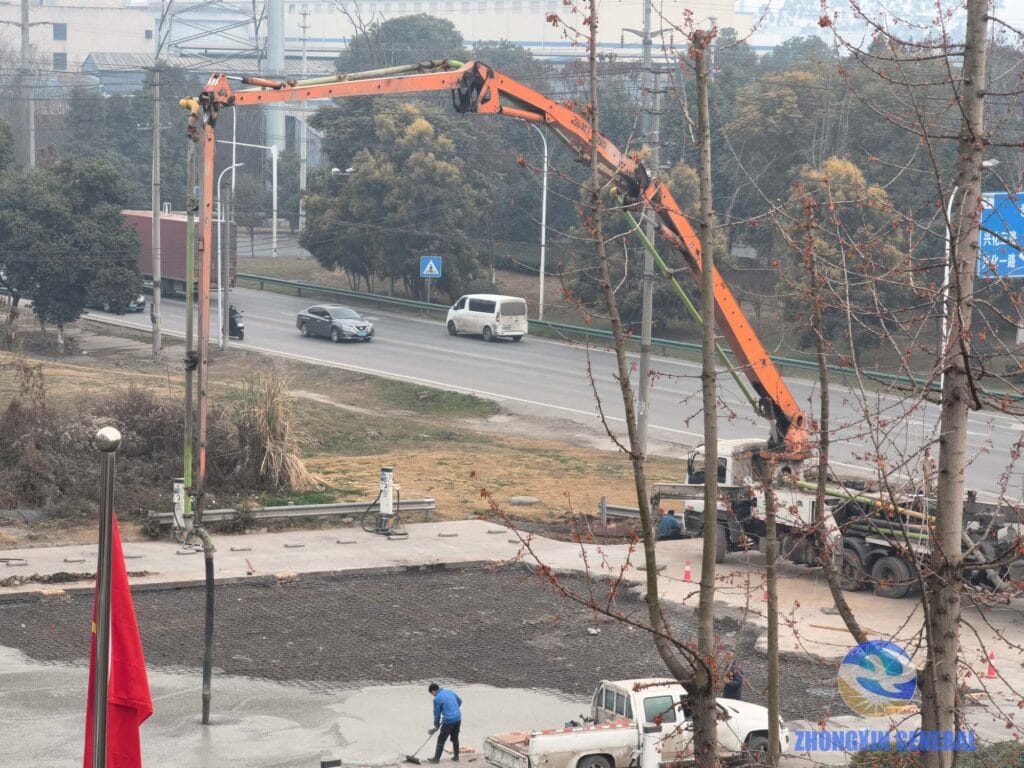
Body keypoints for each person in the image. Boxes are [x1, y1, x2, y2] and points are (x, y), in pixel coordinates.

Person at [427, 682, 463, 763]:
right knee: (455, 737)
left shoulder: (437, 699)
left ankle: (436, 759)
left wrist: (436, 725)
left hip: (449, 720)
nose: (433, 695)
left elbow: (436, 713)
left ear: (433, 691)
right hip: (458, 718)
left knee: (441, 739)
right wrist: (453, 710)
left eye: (432, 694)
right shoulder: (450, 692)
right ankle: (456, 757)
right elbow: (460, 702)